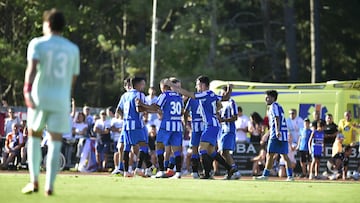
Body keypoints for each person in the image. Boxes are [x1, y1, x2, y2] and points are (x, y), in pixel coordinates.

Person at [21, 8, 80, 196]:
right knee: (55, 139)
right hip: (60, 98)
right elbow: (73, 77)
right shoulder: (72, 48)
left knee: (34, 135)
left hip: (39, 95)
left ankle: (34, 180)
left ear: (47, 24)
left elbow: (31, 69)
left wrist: (27, 90)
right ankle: (50, 185)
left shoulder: (37, 43)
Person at [165, 76, 237, 179]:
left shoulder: (204, 94)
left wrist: (173, 87)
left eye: (198, 84)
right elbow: (225, 98)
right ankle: (230, 168)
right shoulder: (212, 94)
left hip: (210, 125)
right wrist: (229, 88)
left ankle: (207, 173)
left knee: (201, 149)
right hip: (214, 125)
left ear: (203, 85)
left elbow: (189, 95)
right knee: (211, 151)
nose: (196, 86)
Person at [139, 78, 184, 179]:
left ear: (164, 87)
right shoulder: (178, 96)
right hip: (177, 126)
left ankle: (162, 170)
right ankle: (178, 172)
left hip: (166, 125)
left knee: (159, 146)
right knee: (176, 150)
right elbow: (181, 111)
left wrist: (143, 106)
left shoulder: (165, 95)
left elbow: (156, 107)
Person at [254, 90, 294, 181]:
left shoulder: (273, 106)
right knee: (284, 155)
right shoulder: (279, 106)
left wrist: (276, 131)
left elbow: (277, 118)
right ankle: (290, 176)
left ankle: (265, 175)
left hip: (276, 134)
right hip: (283, 134)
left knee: (270, 154)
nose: (266, 99)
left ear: (272, 98)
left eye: (267, 97)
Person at [218, 86, 241, 179]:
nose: (222, 95)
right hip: (221, 130)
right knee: (222, 152)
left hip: (229, 130)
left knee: (225, 152)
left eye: (224, 93)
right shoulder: (220, 104)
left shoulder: (231, 102)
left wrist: (223, 120)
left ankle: (235, 171)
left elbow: (235, 117)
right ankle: (230, 170)